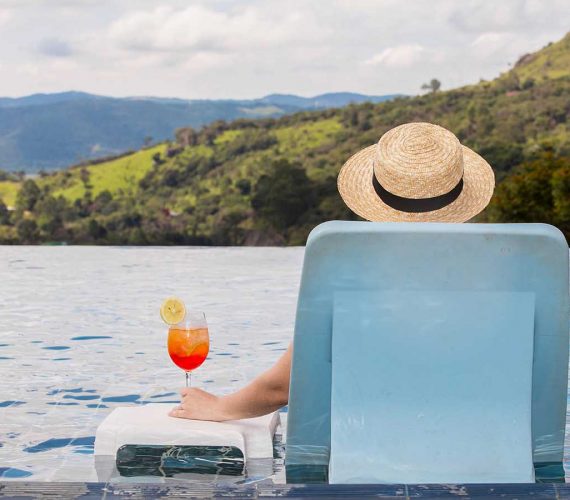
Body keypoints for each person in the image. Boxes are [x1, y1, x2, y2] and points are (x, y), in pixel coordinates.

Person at [169, 122, 495, 421]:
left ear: (375, 200)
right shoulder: (500, 276)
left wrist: (220, 407)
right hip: (487, 453)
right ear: (463, 199)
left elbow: (283, 386)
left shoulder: (353, 277)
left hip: (368, 456)